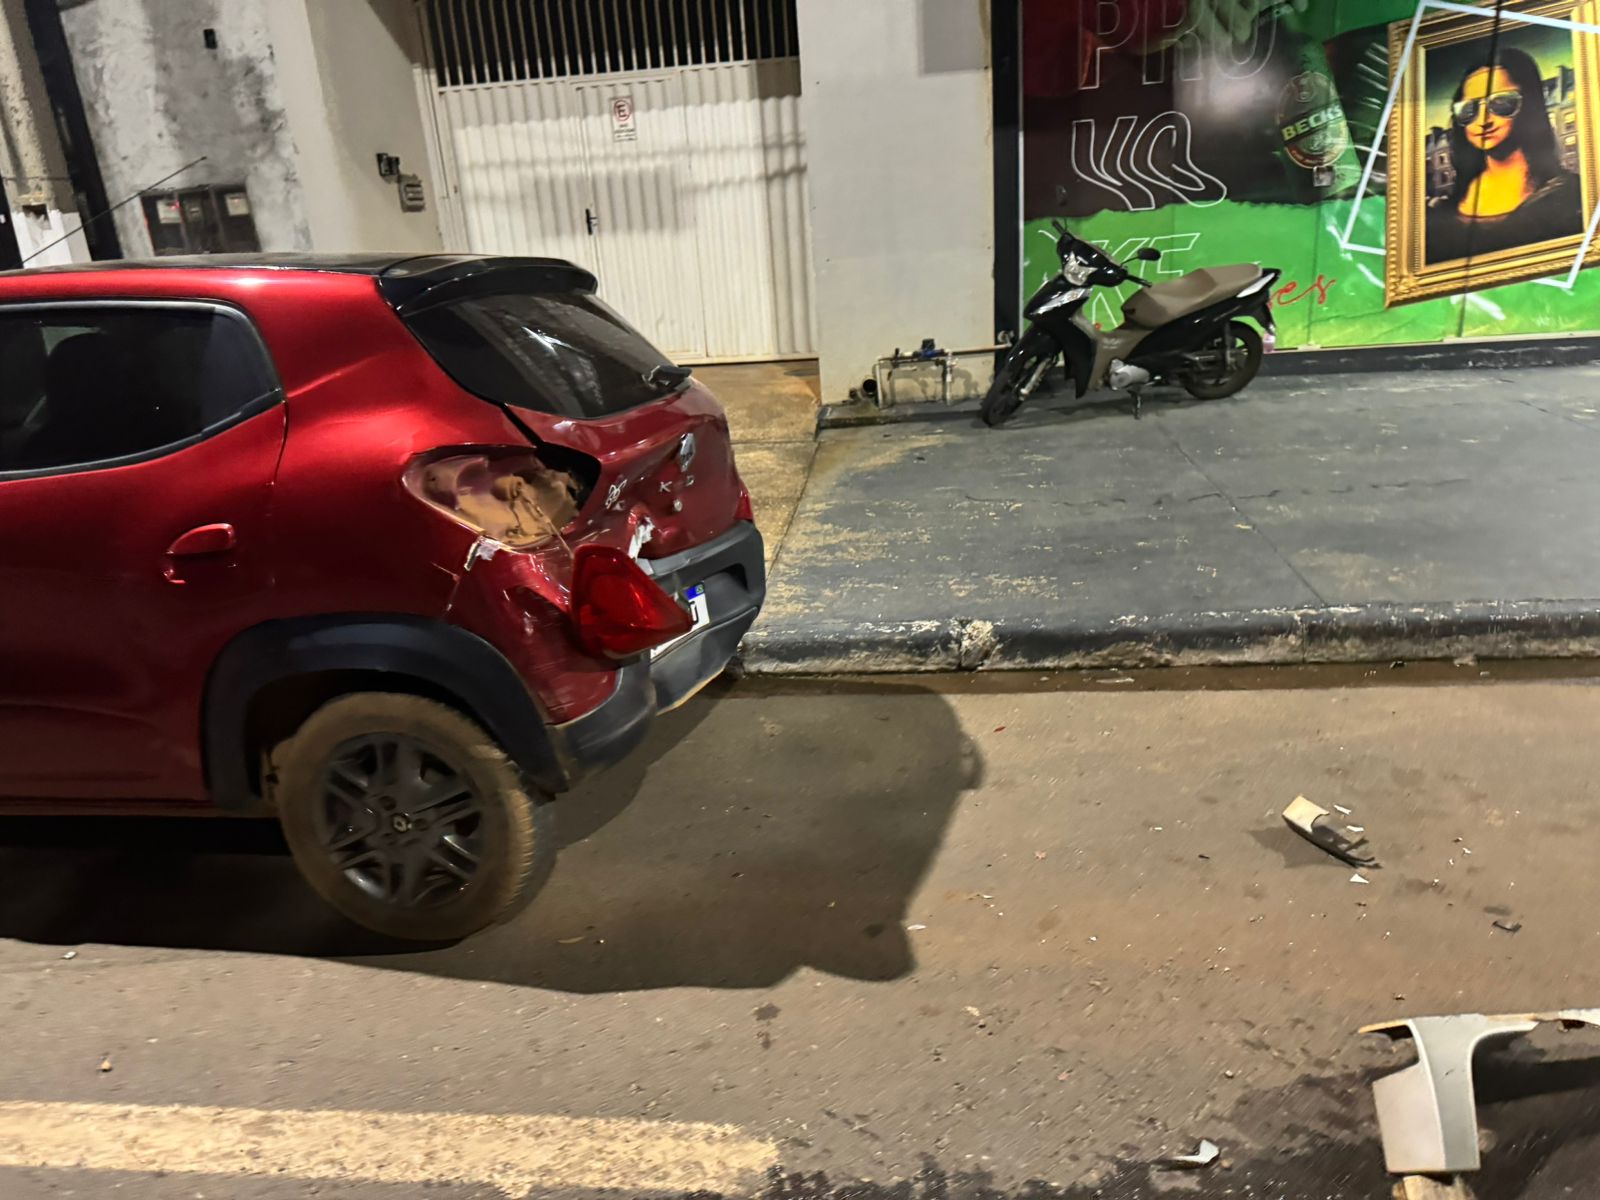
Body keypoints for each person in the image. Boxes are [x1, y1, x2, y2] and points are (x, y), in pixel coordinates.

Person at [1425, 47, 1583, 264]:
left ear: (1530, 106)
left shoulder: (1571, 195)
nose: (1483, 120)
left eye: (1501, 103)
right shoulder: (1441, 208)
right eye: (1468, 109)